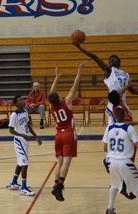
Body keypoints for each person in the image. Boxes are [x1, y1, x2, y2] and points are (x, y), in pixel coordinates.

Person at [73, 44, 138, 125]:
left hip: (123, 104)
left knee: (125, 129)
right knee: (118, 127)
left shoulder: (126, 74)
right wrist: (80, 48)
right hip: (114, 105)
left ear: (119, 63)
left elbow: (132, 91)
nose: (112, 60)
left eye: (114, 59)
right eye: (110, 59)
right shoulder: (109, 70)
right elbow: (95, 57)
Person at [103, 108, 138, 214]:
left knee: (114, 185)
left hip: (111, 162)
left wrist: (114, 152)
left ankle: (109, 210)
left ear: (115, 117)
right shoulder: (129, 128)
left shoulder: (109, 128)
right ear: (125, 117)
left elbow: (104, 148)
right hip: (125, 162)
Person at [48, 61, 86, 201]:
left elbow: (51, 93)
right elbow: (74, 86)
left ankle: (55, 186)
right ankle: (60, 186)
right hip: (68, 134)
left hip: (58, 135)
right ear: (58, 98)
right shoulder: (67, 101)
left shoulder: (52, 106)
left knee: (59, 161)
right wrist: (79, 71)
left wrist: (57, 77)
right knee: (67, 161)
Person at [7, 95, 42, 196]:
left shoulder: (25, 112)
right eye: (20, 100)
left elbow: (28, 125)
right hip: (19, 141)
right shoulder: (14, 115)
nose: (22, 101)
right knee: (25, 163)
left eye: (22, 99)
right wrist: (22, 135)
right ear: (16, 104)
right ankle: (23, 187)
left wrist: (36, 136)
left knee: (20, 162)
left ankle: (14, 183)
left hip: (25, 140)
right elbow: (10, 130)